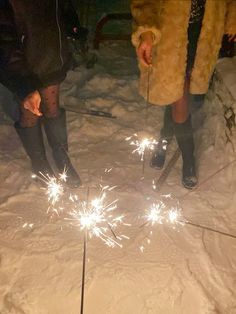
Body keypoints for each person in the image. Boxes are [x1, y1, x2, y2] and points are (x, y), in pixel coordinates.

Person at [131, 0, 236, 189]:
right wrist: (146, 32)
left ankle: (163, 139)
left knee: (178, 95)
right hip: (169, 37)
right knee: (179, 100)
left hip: (203, 37)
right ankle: (189, 159)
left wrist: (232, 19)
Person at [0, 0, 81, 187]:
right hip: (24, 63)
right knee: (30, 113)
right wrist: (23, 83)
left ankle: (60, 154)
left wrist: (71, 24)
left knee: (52, 108)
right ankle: (38, 162)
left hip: (51, 56)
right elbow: (4, 41)